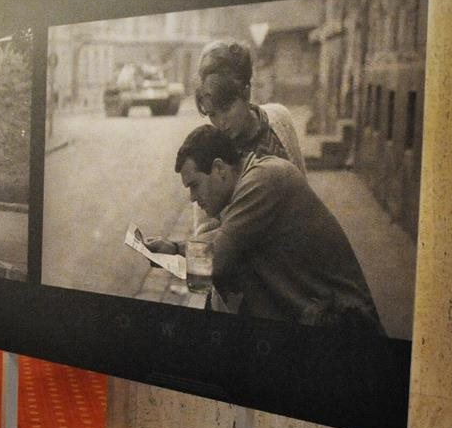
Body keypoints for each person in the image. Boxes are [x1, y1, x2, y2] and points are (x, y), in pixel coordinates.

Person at [146, 125, 384, 333]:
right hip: (323, 313)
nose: (192, 197)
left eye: (195, 185)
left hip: (346, 323)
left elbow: (214, 263)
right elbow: (224, 236)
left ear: (219, 168)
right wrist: (173, 248)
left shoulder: (262, 181)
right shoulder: (254, 178)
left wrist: (171, 259)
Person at [194, 40, 306, 174]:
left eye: (226, 109)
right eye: (212, 114)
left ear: (246, 94)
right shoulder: (217, 154)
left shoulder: (279, 119)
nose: (221, 122)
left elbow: (301, 178)